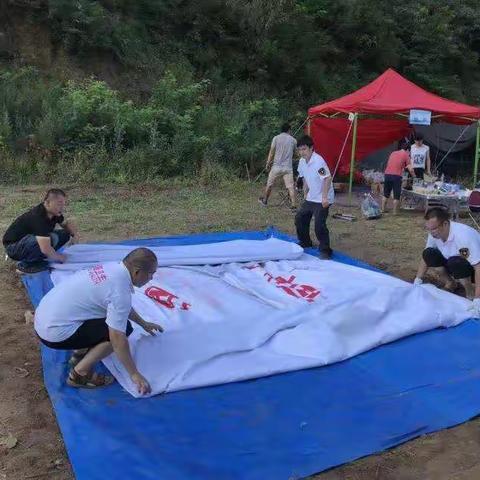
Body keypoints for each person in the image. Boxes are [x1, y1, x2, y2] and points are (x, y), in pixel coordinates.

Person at [34, 247, 163, 394]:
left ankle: (80, 351)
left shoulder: (111, 268)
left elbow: (120, 308)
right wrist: (134, 374)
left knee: (109, 319)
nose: (151, 278)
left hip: (43, 321)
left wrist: (144, 324)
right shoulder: (119, 291)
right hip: (54, 334)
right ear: (137, 272)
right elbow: (117, 339)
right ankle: (79, 374)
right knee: (123, 329)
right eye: (151, 273)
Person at [414, 207, 480, 310]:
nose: (431, 232)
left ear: (445, 224)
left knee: (455, 261)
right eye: (429, 229)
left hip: (471, 267)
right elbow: (426, 256)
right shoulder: (434, 233)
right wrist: (417, 280)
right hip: (453, 263)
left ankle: (470, 293)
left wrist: (478, 298)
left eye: (434, 228)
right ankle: (450, 283)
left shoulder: (463, 236)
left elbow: (478, 266)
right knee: (429, 253)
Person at [3, 189, 79, 274]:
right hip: (13, 247)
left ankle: (40, 256)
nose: (62, 207)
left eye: (63, 204)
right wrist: (61, 258)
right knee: (40, 242)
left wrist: (75, 236)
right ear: (47, 203)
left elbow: (66, 224)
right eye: (59, 203)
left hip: (29, 241)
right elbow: (45, 248)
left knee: (64, 234)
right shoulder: (38, 217)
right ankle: (25, 266)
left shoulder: (55, 212)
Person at [294, 135, 335, 259]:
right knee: (300, 218)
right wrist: (306, 193)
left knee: (319, 224)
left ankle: (325, 250)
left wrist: (324, 198)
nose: (302, 152)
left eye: (304, 149)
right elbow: (304, 177)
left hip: (324, 196)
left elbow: (327, 178)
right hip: (311, 196)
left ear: (311, 148)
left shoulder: (318, 161)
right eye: (300, 150)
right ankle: (305, 242)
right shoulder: (302, 161)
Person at [258, 123, 297, 211]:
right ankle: (293, 205)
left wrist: (268, 163)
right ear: (289, 130)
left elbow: (271, 152)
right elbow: (296, 153)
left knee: (270, 184)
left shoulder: (276, 138)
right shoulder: (293, 140)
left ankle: (265, 201)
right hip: (288, 167)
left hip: (276, 166)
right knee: (290, 186)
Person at [381, 140, 416, 214]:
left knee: (386, 193)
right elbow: (411, 169)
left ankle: (383, 209)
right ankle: (395, 212)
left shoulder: (393, 153)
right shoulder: (406, 155)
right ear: (408, 150)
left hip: (387, 174)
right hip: (396, 176)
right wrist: (414, 177)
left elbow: (390, 164)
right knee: (396, 194)